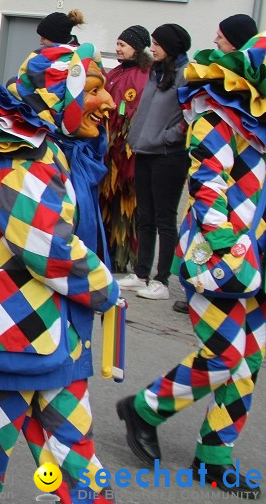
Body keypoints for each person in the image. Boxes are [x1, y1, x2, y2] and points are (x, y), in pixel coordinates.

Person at [0, 43, 119, 504]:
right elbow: (48, 249)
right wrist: (104, 288)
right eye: (92, 91)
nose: (107, 102)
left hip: (48, 336)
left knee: (73, 453)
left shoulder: (45, 149)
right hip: (11, 334)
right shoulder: (22, 160)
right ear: (60, 100)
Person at [116, 35, 266, 500]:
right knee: (224, 357)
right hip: (221, 257)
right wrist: (225, 246)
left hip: (258, 256)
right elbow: (207, 182)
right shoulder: (216, 118)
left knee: (250, 360)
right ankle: (145, 408)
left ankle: (215, 457)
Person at [117, 23, 193, 301]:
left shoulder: (186, 75)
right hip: (144, 152)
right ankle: (141, 273)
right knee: (145, 216)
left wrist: (166, 138)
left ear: (171, 46)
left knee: (164, 217)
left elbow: (190, 117)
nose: (153, 48)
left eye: (157, 43)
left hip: (168, 156)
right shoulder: (155, 72)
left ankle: (161, 280)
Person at [99, 25, 152, 273]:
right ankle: (103, 248)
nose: (118, 49)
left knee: (124, 203)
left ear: (137, 48)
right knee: (105, 199)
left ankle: (120, 257)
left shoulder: (143, 76)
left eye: (123, 45)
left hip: (126, 152)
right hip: (108, 149)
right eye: (118, 44)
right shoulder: (115, 73)